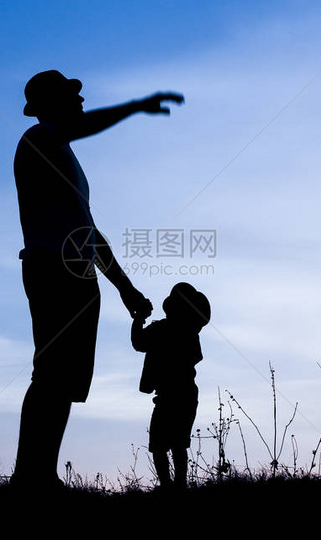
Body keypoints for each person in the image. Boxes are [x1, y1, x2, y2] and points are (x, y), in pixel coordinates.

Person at [12, 70, 184, 487]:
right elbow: (81, 126)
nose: (81, 98)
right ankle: (28, 477)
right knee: (50, 374)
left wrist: (125, 288)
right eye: (72, 94)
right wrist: (135, 106)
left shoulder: (64, 157)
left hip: (78, 275)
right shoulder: (37, 141)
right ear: (50, 104)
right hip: (53, 269)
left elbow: (88, 231)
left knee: (64, 380)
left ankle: (43, 475)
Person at [131, 282, 211, 489]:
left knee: (162, 445)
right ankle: (177, 485)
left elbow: (138, 342)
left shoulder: (164, 329)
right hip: (185, 394)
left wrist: (139, 318)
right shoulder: (190, 331)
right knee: (177, 444)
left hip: (169, 395)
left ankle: (169, 486)